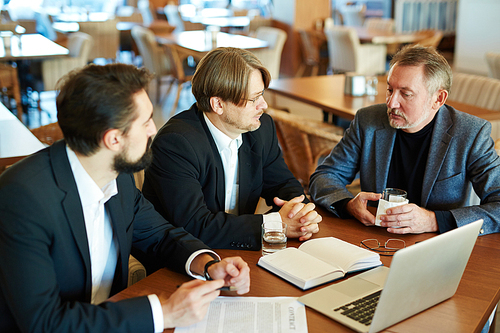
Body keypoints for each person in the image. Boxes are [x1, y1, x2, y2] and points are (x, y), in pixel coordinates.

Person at [0, 63, 250, 333]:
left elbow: (160, 236)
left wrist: (208, 264)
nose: (153, 130)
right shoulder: (21, 199)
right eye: (145, 123)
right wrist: (164, 312)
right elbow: (43, 323)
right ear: (113, 140)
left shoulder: (117, 175)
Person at [141, 47, 321, 252]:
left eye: (262, 94)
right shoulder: (176, 144)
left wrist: (301, 216)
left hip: (239, 250)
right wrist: (275, 225)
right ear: (218, 104)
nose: (264, 105)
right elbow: (196, 226)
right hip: (183, 259)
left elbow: (283, 184)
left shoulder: (261, 128)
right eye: (254, 99)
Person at [309, 45, 500, 235]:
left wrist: (434, 221)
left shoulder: (470, 133)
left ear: (438, 99)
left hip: (437, 245)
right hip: (374, 238)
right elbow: (324, 176)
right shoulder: (368, 121)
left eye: (406, 94)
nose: (391, 103)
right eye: (390, 89)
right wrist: (348, 205)